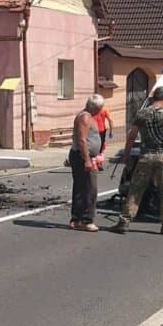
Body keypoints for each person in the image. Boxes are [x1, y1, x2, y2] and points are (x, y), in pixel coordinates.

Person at [111, 86, 163, 235]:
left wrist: (126, 155)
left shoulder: (142, 114)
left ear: (153, 98)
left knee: (135, 190)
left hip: (145, 157)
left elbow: (131, 136)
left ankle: (124, 222)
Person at [68, 95, 104, 232]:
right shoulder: (85, 117)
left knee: (81, 188)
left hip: (83, 156)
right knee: (90, 189)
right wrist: (87, 160)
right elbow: (82, 140)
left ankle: (76, 219)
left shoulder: (88, 116)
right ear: (97, 107)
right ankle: (86, 220)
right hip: (82, 157)